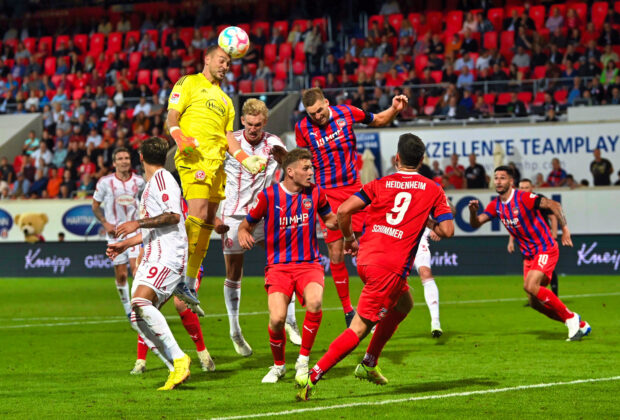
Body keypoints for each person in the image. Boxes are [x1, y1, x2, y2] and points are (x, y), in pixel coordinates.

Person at [297, 134, 454, 400]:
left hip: (367, 258)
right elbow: (447, 230)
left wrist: (349, 239)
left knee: (404, 304)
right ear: (422, 161)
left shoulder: (379, 183)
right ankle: (311, 376)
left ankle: (369, 362)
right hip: (390, 267)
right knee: (359, 328)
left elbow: (344, 210)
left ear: (397, 159)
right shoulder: (433, 189)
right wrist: (428, 220)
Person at [166, 45, 268, 312]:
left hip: (217, 165)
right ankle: (176, 272)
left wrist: (247, 160)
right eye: (221, 61)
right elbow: (172, 116)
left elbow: (229, 138)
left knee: (209, 223)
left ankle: (188, 281)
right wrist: (179, 137)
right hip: (193, 158)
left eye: (228, 63)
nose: (225, 66)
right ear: (207, 59)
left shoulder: (225, 100)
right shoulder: (189, 82)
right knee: (198, 214)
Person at [294, 87, 408, 326]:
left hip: (355, 190)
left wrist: (395, 109)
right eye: (312, 114)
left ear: (327, 102)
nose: (318, 117)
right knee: (335, 253)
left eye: (320, 110)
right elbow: (303, 160)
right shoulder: (302, 128)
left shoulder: (347, 112)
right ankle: (348, 310)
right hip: (326, 194)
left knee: (373, 246)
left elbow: (378, 120)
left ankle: (384, 298)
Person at [237, 148, 338, 384]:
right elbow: (246, 224)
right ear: (290, 172)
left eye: (311, 167)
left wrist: (342, 219)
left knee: (314, 303)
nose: (311, 172)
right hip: (279, 266)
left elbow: (330, 218)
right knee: (277, 319)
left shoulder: (315, 193)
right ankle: (279, 365)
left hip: (309, 264)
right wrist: (243, 233)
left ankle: (303, 361)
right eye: (306, 168)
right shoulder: (269, 196)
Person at [216, 98, 301, 356]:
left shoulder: (274, 143)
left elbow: (293, 173)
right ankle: (235, 331)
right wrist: (217, 216)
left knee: (287, 263)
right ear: (243, 121)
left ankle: (291, 321)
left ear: (265, 122)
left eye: (258, 124)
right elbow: (214, 178)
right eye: (250, 124)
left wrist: (285, 159)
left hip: (265, 214)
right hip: (232, 215)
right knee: (234, 273)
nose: (253, 129)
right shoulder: (229, 143)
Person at [106, 137, 191, 391]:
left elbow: (173, 216)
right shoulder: (153, 182)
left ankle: (179, 358)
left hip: (168, 254)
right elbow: (155, 227)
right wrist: (127, 243)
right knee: (138, 315)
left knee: (141, 303)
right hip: (153, 253)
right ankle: (174, 367)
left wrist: (137, 223)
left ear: (140, 157)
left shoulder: (163, 180)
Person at [468, 166, 591, 342]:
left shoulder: (523, 197)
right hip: (529, 256)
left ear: (511, 181)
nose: (498, 181)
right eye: (496, 178)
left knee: (530, 286)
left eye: (502, 178)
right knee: (534, 303)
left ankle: (571, 318)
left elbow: (554, 204)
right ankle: (578, 324)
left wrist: (565, 229)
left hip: (545, 248)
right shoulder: (496, 205)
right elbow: (475, 224)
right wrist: (473, 212)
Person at [92, 148, 145, 326]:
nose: (124, 161)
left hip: (135, 233)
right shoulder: (105, 182)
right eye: (120, 158)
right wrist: (105, 223)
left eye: (127, 158)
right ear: (114, 163)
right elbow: (95, 206)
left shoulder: (139, 181)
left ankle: (139, 308)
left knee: (136, 270)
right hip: (114, 235)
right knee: (121, 275)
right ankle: (127, 310)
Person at [508, 178, 560, 296]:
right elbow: (514, 224)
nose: (524, 190)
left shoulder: (539, 200)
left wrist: (554, 235)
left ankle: (554, 294)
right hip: (526, 242)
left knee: (547, 268)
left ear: (532, 188)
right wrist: (510, 241)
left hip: (543, 241)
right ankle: (532, 298)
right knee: (529, 267)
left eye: (527, 187)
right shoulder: (515, 202)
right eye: (522, 188)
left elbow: (553, 217)